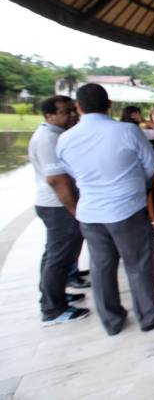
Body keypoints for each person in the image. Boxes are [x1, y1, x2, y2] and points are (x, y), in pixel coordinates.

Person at [56, 84, 154, 335]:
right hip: (126, 209)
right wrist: (132, 183)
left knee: (101, 267)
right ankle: (149, 314)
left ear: (78, 107)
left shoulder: (65, 138)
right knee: (137, 264)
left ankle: (111, 321)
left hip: (90, 212)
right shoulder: (126, 131)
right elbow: (151, 162)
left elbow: (70, 172)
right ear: (109, 104)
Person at [28, 95, 91, 326]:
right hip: (58, 206)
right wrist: (75, 209)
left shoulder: (55, 135)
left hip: (58, 205)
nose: (72, 115)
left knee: (56, 256)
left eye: (72, 110)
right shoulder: (48, 139)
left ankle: (54, 295)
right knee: (58, 257)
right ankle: (52, 309)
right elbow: (56, 179)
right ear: (50, 116)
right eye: (65, 112)